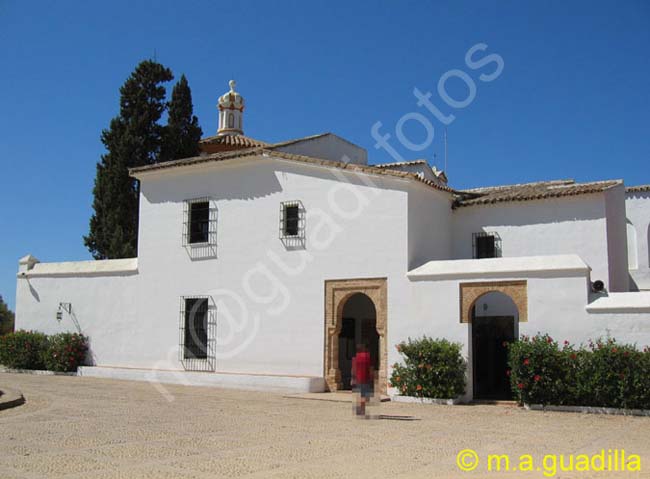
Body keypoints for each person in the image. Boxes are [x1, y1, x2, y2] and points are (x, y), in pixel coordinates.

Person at [351, 342, 374, 417]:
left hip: (357, 379)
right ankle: (362, 410)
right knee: (364, 396)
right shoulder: (367, 357)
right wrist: (372, 378)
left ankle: (358, 410)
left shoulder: (355, 358)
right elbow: (371, 369)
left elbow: (353, 369)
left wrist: (352, 378)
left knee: (359, 394)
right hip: (365, 379)